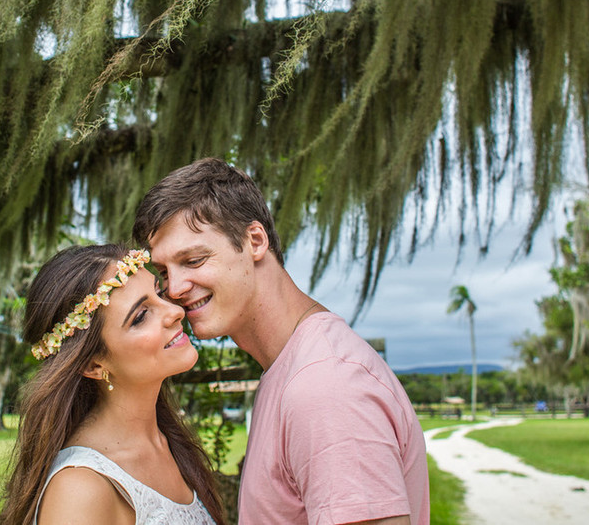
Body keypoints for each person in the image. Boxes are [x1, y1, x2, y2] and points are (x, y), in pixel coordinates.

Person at [133, 159, 430, 525]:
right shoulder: (292, 367)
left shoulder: (325, 387)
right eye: (164, 272)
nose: (174, 288)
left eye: (193, 260)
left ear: (255, 241)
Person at [0, 243, 226, 525]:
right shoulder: (81, 490)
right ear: (93, 365)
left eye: (159, 292)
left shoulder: (169, 442)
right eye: (140, 317)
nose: (173, 311)